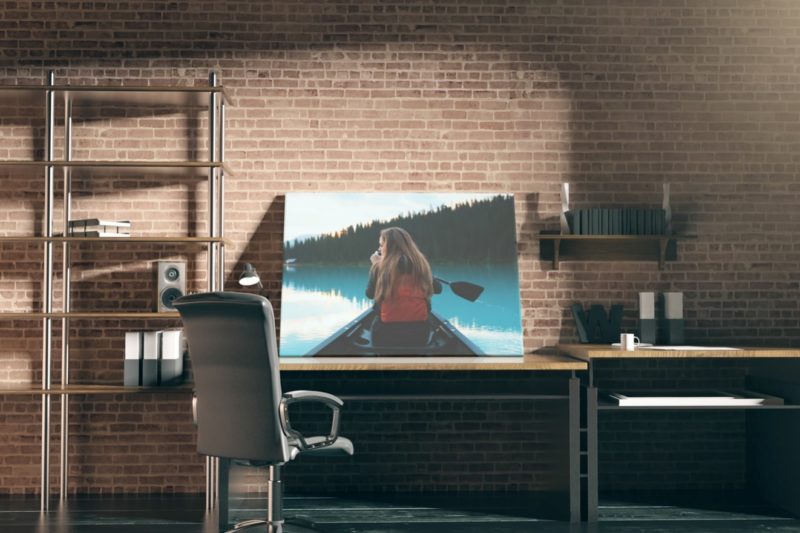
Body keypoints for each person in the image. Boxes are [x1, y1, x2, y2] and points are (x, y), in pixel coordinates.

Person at [366, 227, 442, 347]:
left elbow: (370, 294)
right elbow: (438, 289)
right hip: (419, 333)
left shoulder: (379, 267)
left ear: (389, 246)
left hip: (386, 332)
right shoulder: (421, 265)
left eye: (381, 245)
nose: (379, 249)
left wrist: (377, 265)